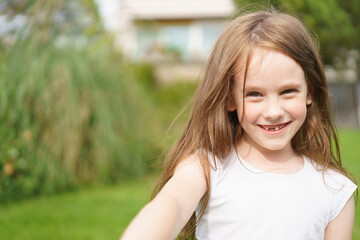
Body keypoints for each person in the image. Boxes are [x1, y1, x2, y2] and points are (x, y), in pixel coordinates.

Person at [121, 9, 357, 240]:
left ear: (310, 93)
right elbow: (170, 206)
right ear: (229, 99)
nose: (273, 112)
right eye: (254, 94)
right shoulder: (206, 168)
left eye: (288, 91)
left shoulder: (335, 191)